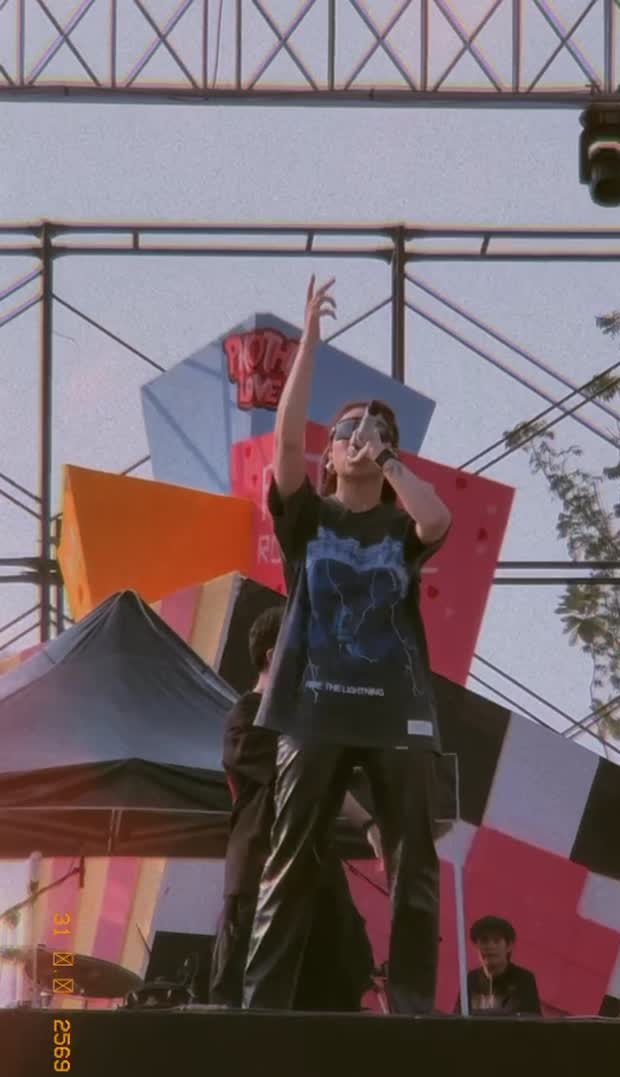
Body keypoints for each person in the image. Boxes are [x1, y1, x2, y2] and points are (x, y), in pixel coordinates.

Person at [242, 276, 452, 1014]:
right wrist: (309, 342)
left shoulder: (399, 525)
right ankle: (262, 1011)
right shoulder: (308, 517)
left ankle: (414, 1009)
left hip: (396, 710)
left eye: (376, 431)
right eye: (349, 431)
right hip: (314, 705)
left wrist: (390, 461)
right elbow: (284, 441)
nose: (360, 438)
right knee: (293, 855)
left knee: (413, 860)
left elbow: (436, 521)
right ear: (328, 456)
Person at [209, 605, 379, 1011]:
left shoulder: (304, 722)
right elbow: (302, 775)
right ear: (272, 656)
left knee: (335, 993)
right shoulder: (244, 717)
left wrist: (370, 825)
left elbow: (326, 782)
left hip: (315, 871)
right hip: (262, 874)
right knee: (252, 1002)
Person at [458, 915, 542, 1015]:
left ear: (509, 946)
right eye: (484, 940)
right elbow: (458, 1018)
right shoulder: (470, 979)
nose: (490, 946)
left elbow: (531, 1020)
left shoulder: (523, 979)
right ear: (476, 945)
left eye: (496, 941)